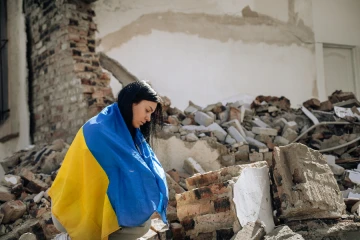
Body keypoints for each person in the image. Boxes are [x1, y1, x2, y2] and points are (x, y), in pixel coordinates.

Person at [49, 81, 169, 240]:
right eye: (147, 111)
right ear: (132, 103)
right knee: (139, 224)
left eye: (151, 114)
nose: (148, 119)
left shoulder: (122, 132)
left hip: (86, 212)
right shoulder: (98, 130)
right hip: (67, 214)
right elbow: (101, 184)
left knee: (142, 224)